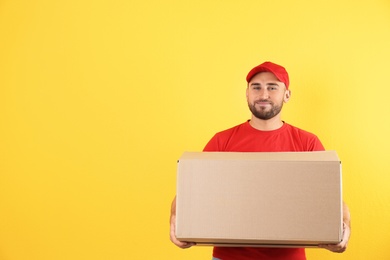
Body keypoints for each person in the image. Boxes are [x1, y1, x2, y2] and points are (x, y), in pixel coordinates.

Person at [169, 61, 351, 260]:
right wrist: (175, 221)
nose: (264, 95)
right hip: (229, 257)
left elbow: (331, 200)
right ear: (247, 93)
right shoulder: (222, 141)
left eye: (272, 87)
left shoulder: (307, 143)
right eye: (256, 87)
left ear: (287, 95)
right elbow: (190, 195)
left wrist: (344, 228)